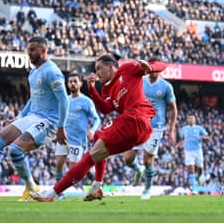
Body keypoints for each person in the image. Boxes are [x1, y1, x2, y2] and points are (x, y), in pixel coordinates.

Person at [30, 54, 167, 202]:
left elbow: (161, 64)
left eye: (99, 68)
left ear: (110, 67)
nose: (97, 73)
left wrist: (151, 68)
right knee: (97, 136)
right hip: (136, 126)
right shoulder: (108, 90)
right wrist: (92, 89)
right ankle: (97, 186)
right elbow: (105, 108)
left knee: (89, 157)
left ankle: (52, 193)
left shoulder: (128, 69)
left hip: (136, 119)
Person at [0, 36, 69, 202]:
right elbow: (33, 98)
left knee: (15, 150)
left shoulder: (52, 71)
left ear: (44, 51)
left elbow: (64, 100)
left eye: (33, 50)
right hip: (33, 116)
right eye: (28, 50)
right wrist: (20, 117)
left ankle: (31, 187)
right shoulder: (33, 72)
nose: (29, 53)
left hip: (49, 121)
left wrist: (61, 127)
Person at [123, 57, 177, 200]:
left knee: (148, 160)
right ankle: (138, 169)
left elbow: (173, 108)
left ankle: (147, 189)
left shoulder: (166, 87)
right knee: (128, 158)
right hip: (138, 124)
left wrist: (171, 130)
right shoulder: (141, 82)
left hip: (155, 127)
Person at [54, 70, 101, 200]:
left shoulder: (86, 101)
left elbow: (97, 119)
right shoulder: (64, 100)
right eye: (70, 82)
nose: (73, 84)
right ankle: (59, 192)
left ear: (80, 83)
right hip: (64, 137)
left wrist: (92, 129)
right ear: (67, 84)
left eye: (75, 81)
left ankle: (92, 175)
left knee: (73, 171)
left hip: (77, 140)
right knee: (59, 162)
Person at [178, 114, 210, 193]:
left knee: (200, 169)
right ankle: (194, 188)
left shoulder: (199, 128)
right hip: (188, 151)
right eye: (189, 119)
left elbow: (207, 136)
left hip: (198, 150)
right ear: (187, 120)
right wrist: (180, 144)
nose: (191, 120)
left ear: (195, 120)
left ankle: (199, 177)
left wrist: (204, 137)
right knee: (191, 169)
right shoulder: (184, 129)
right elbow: (182, 138)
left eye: (192, 119)